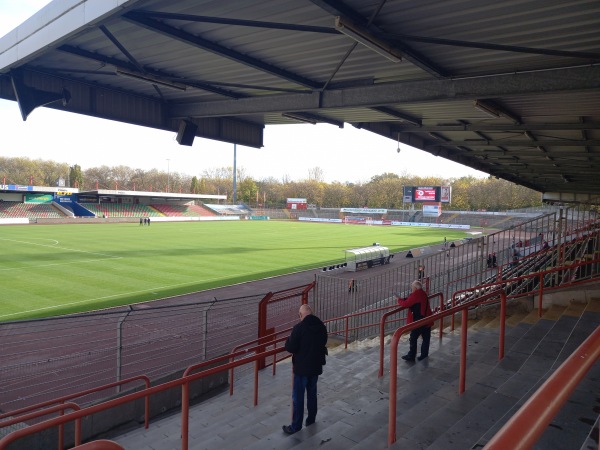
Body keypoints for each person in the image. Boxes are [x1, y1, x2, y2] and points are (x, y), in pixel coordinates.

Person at [283, 304, 328, 435]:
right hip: (315, 367)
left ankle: (296, 426)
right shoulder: (321, 326)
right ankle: (311, 420)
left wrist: (287, 341)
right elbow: (323, 342)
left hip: (301, 369)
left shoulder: (299, 328)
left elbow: (291, 347)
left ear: (301, 315)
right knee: (312, 395)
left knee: (298, 397)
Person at [397, 280, 432, 362]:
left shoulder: (416, 294)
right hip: (426, 319)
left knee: (413, 338)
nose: (411, 289)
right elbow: (412, 300)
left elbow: (406, 304)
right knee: (426, 338)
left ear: (415, 288)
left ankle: (411, 355)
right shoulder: (423, 293)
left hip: (418, 321)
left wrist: (399, 300)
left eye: (412, 287)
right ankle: (424, 355)